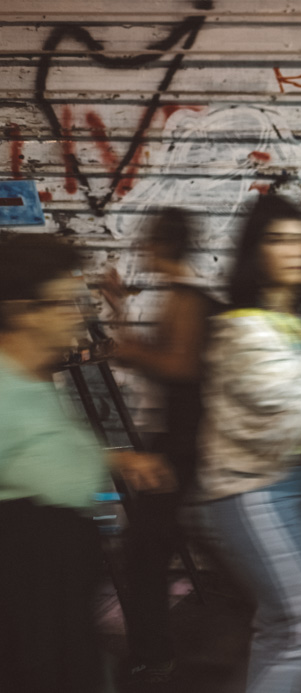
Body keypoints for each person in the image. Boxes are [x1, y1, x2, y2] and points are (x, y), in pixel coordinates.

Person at [185, 196, 301, 693]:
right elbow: (297, 422)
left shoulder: (296, 321)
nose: (298, 250)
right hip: (248, 491)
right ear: (256, 251)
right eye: (280, 239)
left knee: (282, 626)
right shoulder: (241, 331)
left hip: (287, 487)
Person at [0, 234, 173, 693]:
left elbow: (40, 449)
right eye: (62, 302)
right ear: (21, 311)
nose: (76, 313)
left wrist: (117, 458)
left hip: (60, 588)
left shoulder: (31, 380)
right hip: (31, 589)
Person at [100, 208, 220, 685]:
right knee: (153, 548)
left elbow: (178, 366)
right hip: (175, 443)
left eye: (147, 242)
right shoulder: (179, 296)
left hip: (179, 447)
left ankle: (153, 653)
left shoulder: (187, 298)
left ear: (160, 245)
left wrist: (128, 350)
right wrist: (119, 311)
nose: (141, 251)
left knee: (144, 553)